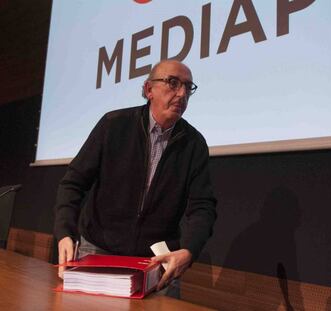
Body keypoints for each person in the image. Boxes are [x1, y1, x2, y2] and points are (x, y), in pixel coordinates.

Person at [54, 60, 217, 293]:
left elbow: (203, 206)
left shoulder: (195, 144)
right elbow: (73, 183)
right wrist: (65, 233)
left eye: (187, 87)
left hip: (156, 261)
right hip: (99, 249)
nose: (181, 93)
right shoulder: (113, 125)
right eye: (173, 83)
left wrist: (188, 251)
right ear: (149, 89)